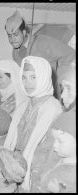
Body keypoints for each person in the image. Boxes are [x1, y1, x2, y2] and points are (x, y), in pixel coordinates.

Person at [3, 56, 63, 191]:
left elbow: (49, 152)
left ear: (43, 77)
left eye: (33, 77)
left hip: (38, 172)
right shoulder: (24, 105)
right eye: (24, 77)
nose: (27, 83)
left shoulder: (52, 108)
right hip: (16, 168)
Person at [5, 10, 75, 99]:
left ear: (23, 32)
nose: (12, 39)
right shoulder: (15, 52)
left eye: (15, 35)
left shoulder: (42, 42)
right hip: (33, 96)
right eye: (9, 36)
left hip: (52, 95)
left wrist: (60, 83)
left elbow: (70, 54)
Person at [30, 62, 76, 193]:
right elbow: (43, 156)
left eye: (69, 88)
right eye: (62, 89)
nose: (61, 96)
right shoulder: (63, 119)